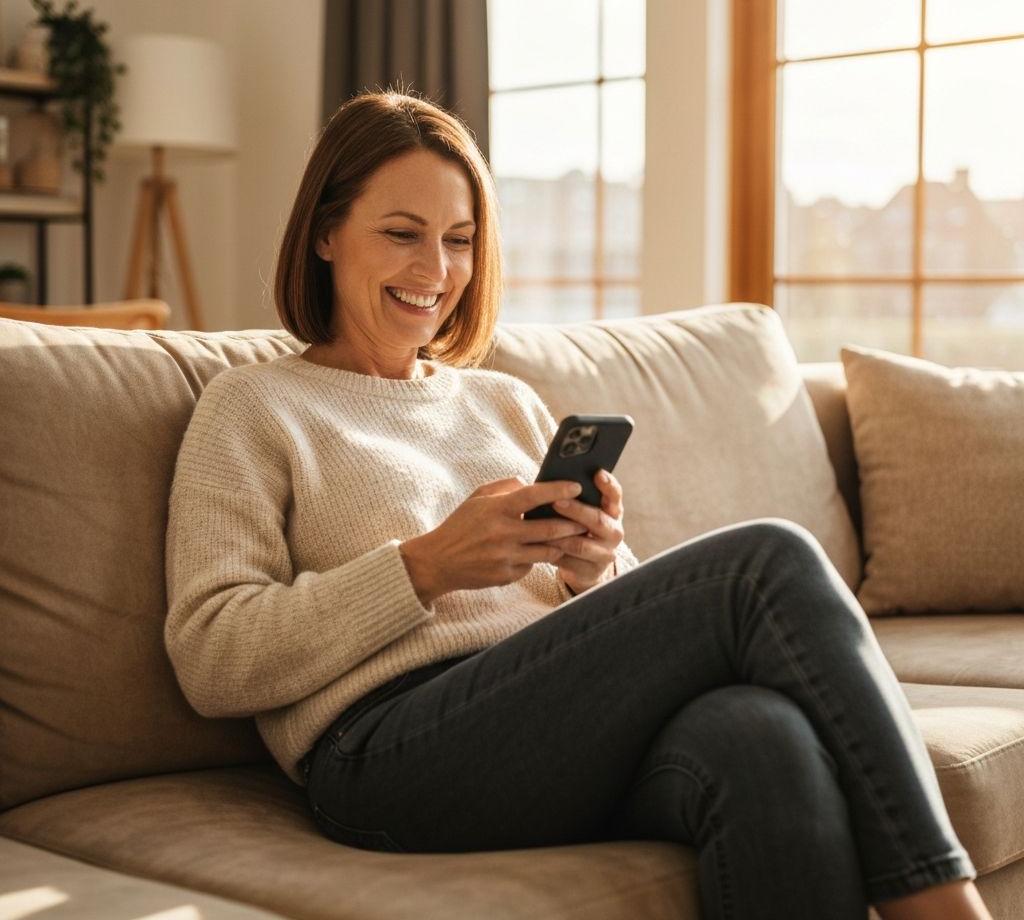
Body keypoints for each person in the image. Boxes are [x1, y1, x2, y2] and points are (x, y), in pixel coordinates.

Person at [164, 89, 992, 920]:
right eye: (401, 233)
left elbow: (594, 622)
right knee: (766, 565)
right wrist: (423, 567)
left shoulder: (503, 402)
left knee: (760, 736)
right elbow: (209, 655)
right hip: (386, 749)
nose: (437, 271)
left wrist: (590, 571)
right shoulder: (253, 406)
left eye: (459, 241)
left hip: (546, 722)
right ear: (324, 233)